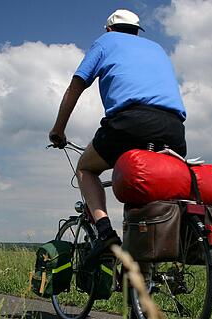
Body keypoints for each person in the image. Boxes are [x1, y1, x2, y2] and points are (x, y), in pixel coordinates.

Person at [49, 8, 187, 263]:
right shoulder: (156, 48)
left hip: (131, 122)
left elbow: (76, 86)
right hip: (174, 128)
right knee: (152, 185)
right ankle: (154, 257)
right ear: (137, 32)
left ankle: (105, 233)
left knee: (86, 169)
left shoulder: (105, 42)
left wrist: (58, 130)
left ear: (109, 29)